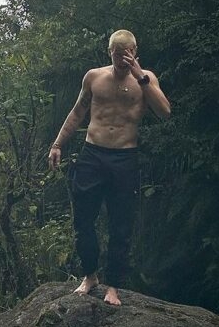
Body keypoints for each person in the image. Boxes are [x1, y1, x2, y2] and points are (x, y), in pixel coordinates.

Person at [48, 30, 171, 306]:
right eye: (117, 55)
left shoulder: (145, 79)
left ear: (135, 52)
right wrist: (57, 144)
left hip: (125, 158)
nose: (121, 60)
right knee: (83, 219)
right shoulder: (94, 77)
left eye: (127, 55)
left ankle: (113, 286)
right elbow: (78, 112)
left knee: (121, 223)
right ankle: (90, 275)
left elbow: (164, 112)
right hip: (93, 154)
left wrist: (142, 76)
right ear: (109, 52)